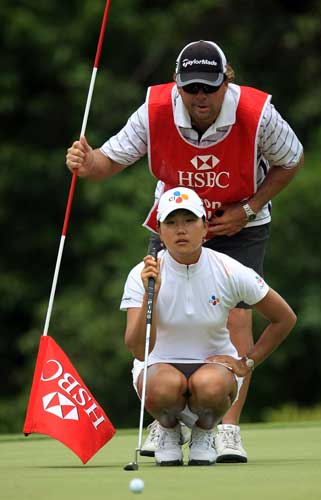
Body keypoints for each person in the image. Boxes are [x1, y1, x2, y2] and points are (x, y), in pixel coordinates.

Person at [66, 40, 304, 462]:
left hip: (241, 221)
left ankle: (226, 427)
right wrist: (87, 164)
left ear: (225, 81)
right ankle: (167, 422)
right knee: (161, 309)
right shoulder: (155, 110)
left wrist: (247, 209)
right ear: (177, 85)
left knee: (237, 315)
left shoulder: (257, 112)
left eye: (209, 88)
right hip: (177, 218)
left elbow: (292, 159)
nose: (200, 97)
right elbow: (109, 162)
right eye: (191, 88)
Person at [120, 186, 296, 466]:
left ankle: (204, 432)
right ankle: (168, 430)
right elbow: (137, 349)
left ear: (205, 228)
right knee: (163, 387)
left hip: (214, 368)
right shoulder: (142, 275)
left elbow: (284, 318)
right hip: (157, 366)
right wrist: (149, 296)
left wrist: (247, 362)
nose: (181, 230)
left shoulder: (230, 269)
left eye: (189, 221)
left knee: (211, 386)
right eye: (171, 223)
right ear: (160, 232)